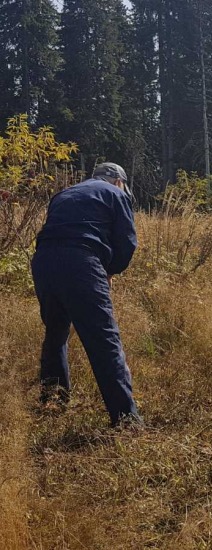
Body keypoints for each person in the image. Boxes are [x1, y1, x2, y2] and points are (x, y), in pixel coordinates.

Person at [31, 162, 141, 427]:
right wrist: (109, 271)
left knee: (56, 332)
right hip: (81, 260)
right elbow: (126, 243)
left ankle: (53, 400)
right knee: (103, 339)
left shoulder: (64, 194)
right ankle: (126, 419)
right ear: (119, 181)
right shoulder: (116, 194)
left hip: (43, 261)